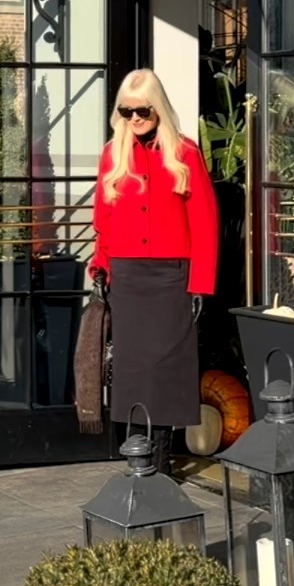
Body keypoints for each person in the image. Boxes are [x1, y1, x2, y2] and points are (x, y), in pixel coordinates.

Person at [88, 68, 219, 474]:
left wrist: (200, 283)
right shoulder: (113, 155)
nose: (134, 119)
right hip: (127, 277)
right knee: (131, 368)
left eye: (142, 110)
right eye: (126, 111)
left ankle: (160, 461)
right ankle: (137, 456)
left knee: (165, 371)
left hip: (171, 277)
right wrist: (100, 267)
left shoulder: (185, 154)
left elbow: (205, 222)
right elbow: (104, 222)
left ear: (157, 107)